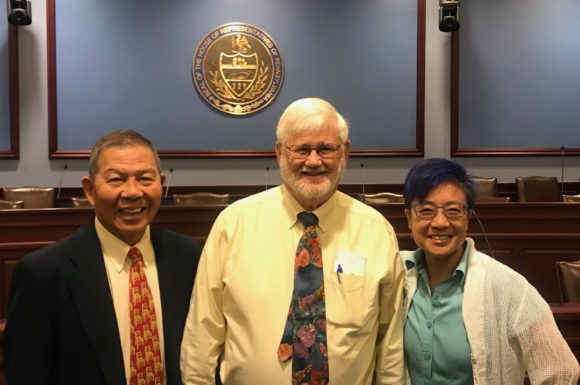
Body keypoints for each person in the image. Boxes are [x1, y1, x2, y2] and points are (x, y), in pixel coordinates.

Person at [180, 97, 406, 385]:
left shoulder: (376, 231)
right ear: (280, 153)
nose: (313, 161)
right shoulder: (233, 224)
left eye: (325, 149)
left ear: (345, 153)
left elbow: (390, 343)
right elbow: (202, 333)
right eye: (301, 149)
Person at [3, 129, 202, 385]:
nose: (132, 192)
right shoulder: (42, 272)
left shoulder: (189, 256)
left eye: (145, 178)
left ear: (161, 185)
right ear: (89, 190)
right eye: (116, 179)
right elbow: (26, 375)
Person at [401, 158, 580, 384]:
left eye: (453, 210)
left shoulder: (509, 286)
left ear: (467, 217)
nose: (440, 222)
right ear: (408, 218)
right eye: (426, 210)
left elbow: (562, 372)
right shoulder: (396, 274)